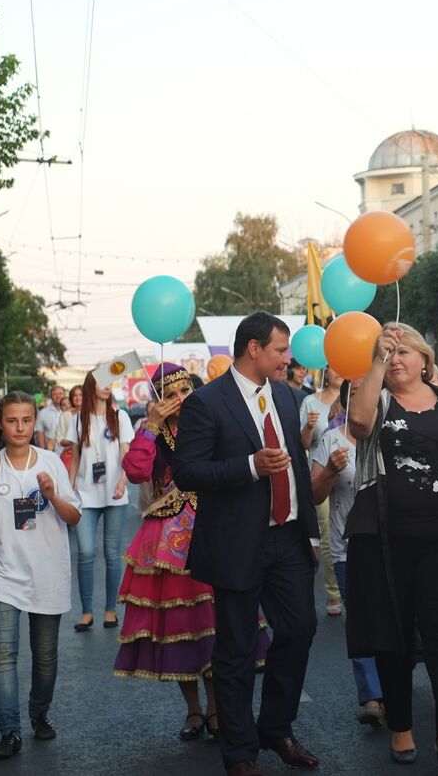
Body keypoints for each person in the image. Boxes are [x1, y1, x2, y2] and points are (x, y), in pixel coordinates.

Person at [174, 312, 321, 775]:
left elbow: (296, 465)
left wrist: (310, 532)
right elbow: (188, 472)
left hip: (289, 539)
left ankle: (275, 727)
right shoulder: (206, 402)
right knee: (236, 649)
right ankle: (239, 752)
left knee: (299, 631)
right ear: (253, 349)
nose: (288, 359)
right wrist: (250, 466)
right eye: (281, 350)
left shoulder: (287, 395)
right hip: (238, 544)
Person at [346, 322, 438, 772]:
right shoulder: (372, 396)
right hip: (384, 542)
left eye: (402, 351)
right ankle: (401, 728)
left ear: (425, 359)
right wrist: (374, 361)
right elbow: (359, 423)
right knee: (392, 638)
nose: (395, 360)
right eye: (387, 354)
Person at [114, 365, 268, 741]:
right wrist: (150, 426)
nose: (180, 400)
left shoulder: (210, 421)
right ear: (159, 401)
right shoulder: (151, 431)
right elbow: (135, 472)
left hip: (214, 526)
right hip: (166, 540)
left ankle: (218, 708)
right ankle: (194, 710)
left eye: (185, 391)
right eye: (171, 395)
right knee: (180, 627)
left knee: (216, 623)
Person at [0, 393, 79, 760]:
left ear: (34, 420)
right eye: (12, 420)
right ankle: (9, 731)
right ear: (1, 423)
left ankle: (39, 712)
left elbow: (73, 516)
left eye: (27, 420)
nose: (20, 427)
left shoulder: (52, 462)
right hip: (1, 575)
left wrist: (52, 495)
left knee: (45, 656)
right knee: (2, 654)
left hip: (47, 573)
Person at [308, 380, 384, 728]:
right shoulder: (332, 441)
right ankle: (371, 696)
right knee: (363, 621)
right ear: (346, 404)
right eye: (355, 398)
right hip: (348, 550)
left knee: (396, 621)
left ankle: (394, 686)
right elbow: (314, 496)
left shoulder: (391, 437)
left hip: (395, 547)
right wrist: (328, 470)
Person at [60, 373, 133, 632]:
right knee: (86, 553)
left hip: (114, 493)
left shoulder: (120, 416)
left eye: (110, 382)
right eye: (102, 381)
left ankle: (110, 610)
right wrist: (70, 488)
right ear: (91, 385)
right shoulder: (78, 419)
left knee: (112, 554)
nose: (107, 387)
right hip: (85, 494)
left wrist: (124, 481)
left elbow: (127, 455)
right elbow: (75, 458)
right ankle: (87, 611)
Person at [299, 372, 345, 617]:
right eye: (334, 368)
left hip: (352, 473)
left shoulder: (356, 395)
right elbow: (302, 445)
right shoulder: (311, 402)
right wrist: (308, 426)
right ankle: (334, 591)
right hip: (321, 474)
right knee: (328, 531)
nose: (340, 372)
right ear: (326, 373)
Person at [36, 386, 67, 451]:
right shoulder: (43, 413)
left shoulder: (71, 412)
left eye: (60, 394)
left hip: (68, 451)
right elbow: (40, 432)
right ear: (51, 396)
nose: (58, 396)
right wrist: (43, 451)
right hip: (51, 450)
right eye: (55, 394)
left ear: (64, 395)